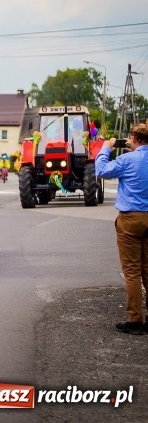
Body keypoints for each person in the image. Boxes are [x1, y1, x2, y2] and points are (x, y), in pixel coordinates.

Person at [95, 123, 148, 335]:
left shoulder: (126, 160)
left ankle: (135, 320)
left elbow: (101, 170)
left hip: (131, 219)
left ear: (133, 138)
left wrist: (106, 148)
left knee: (133, 271)